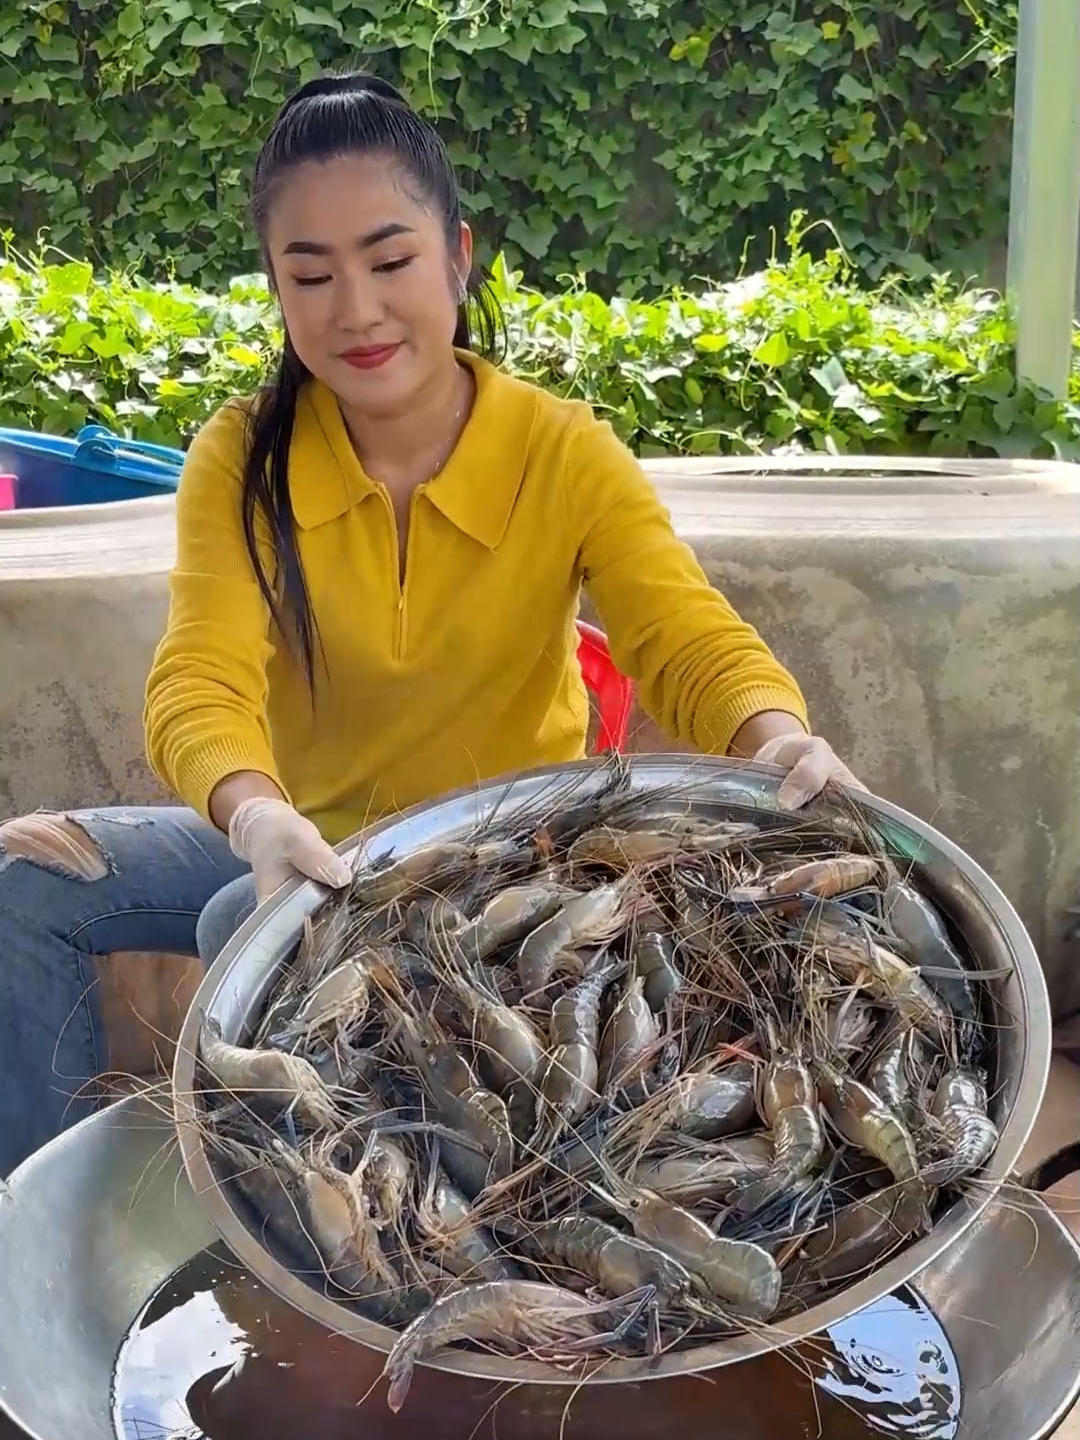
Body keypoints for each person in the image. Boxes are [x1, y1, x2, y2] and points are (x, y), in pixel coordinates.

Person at [0, 72, 861, 1177]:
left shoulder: (561, 451)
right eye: (309, 275)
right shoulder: (239, 457)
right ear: (276, 287)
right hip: (302, 845)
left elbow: (685, 635)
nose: (354, 310)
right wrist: (254, 815)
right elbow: (199, 680)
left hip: (502, 861)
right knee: (32, 883)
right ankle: (45, 1228)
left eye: (390, 260)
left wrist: (773, 732)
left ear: (458, 256)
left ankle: (356, 1236)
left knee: (237, 937)